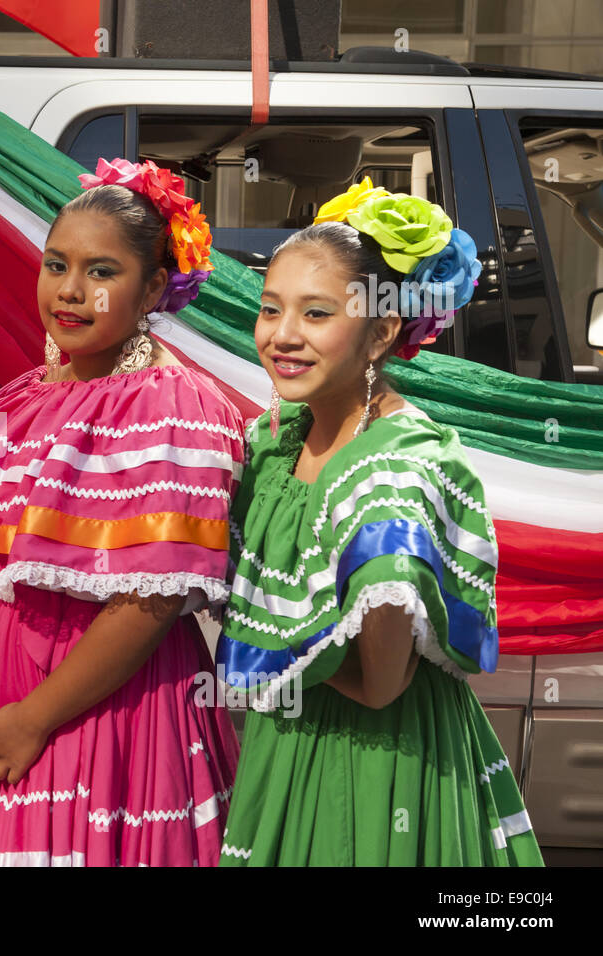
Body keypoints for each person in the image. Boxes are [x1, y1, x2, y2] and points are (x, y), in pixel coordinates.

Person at [216, 179, 544, 865]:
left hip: (375, 761)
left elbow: (379, 684)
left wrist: (274, 637)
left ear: (382, 330)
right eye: (271, 309)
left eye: (315, 314)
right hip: (290, 739)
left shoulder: (392, 469)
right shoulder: (277, 442)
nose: (282, 336)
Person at [0, 158, 244, 866]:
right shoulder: (10, 403)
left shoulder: (175, 407)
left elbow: (152, 600)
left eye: (102, 272)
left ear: (153, 291)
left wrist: (35, 718)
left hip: (115, 726)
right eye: (56, 264)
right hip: (3, 733)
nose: (70, 292)